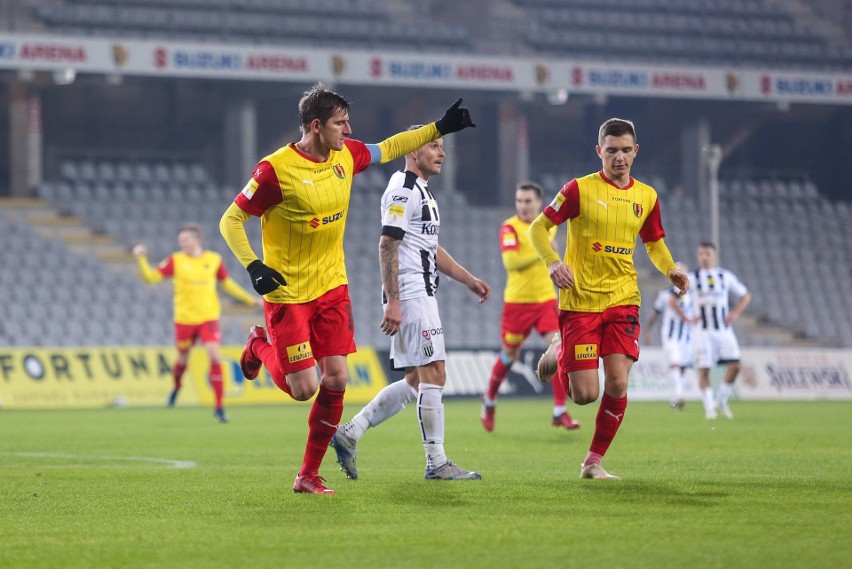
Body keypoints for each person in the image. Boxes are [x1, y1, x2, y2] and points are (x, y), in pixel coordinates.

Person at [219, 83, 476, 495]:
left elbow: (392, 146)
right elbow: (231, 220)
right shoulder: (274, 170)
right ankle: (257, 345)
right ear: (316, 126)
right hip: (288, 292)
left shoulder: (346, 155)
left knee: (336, 379)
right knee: (303, 388)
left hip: (332, 286)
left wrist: (439, 126)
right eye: (341, 123)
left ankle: (308, 474)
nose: (348, 129)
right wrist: (253, 265)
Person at [529, 118, 689, 480]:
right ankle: (560, 346)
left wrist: (670, 270)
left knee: (617, 383)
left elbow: (653, 242)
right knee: (584, 395)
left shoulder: (646, 196)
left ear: (636, 151)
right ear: (599, 152)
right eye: (612, 150)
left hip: (622, 300)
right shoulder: (578, 190)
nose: (619, 157)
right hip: (581, 301)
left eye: (625, 150)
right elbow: (538, 227)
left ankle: (592, 462)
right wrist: (553, 263)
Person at [330, 128, 490, 481]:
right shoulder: (403, 189)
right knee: (435, 373)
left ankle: (350, 432)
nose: (441, 152)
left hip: (420, 292)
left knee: (417, 381)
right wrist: (395, 302)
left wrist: (467, 279)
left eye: (442, 146)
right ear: (412, 152)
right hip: (412, 293)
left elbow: (429, 246)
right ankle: (437, 462)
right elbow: (387, 244)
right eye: (433, 145)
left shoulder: (422, 192)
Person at [132, 224, 260, 423]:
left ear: (197, 240)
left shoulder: (214, 260)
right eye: (180, 241)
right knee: (182, 358)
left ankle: (219, 407)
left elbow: (227, 284)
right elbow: (150, 278)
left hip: (208, 318)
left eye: (185, 240)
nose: (182, 244)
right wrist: (141, 258)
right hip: (184, 320)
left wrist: (249, 299)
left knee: (214, 356)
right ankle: (176, 387)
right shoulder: (175, 261)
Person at [480, 182, 579, 432]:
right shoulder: (509, 227)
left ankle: (559, 411)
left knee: (558, 347)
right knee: (510, 356)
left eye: (527, 201)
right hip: (517, 302)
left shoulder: (550, 224)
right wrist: (543, 248)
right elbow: (512, 262)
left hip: (545, 299)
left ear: (538, 203)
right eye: (519, 201)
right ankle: (489, 400)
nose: (522, 206)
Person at [691, 242, 751, 420]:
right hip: (702, 331)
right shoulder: (692, 277)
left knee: (736, 366)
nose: (704, 257)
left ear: (714, 255)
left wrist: (735, 313)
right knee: (704, 370)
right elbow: (676, 297)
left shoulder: (725, 276)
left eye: (707, 253)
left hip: (723, 330)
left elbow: (745, 295)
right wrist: (686, 315)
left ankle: (721, 399)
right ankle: (710, 409)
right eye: (701, 253)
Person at [643, 262, 698, 409]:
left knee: (684, 366)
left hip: (687, 336)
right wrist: (648, 330)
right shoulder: (665, 294)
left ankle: (677, 397)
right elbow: (655, 313)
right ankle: (679, 396)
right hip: (670, 335)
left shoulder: (692, 293)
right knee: (675, 363)